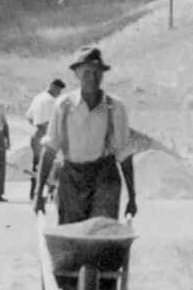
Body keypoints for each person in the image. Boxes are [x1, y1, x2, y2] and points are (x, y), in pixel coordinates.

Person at [45, 47, 138, 225]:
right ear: (77, 75)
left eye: (97, 73)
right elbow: (50, 148)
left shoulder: (115, 107)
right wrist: (39, 194)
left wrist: (132, 197)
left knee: (101, 235)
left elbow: (125, 154)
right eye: (87, 73)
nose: (93, 78)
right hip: (71, 178)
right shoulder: (63, 105)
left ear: (102, 75)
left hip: (104, 177)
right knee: (72, 236)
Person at [26, 77, 65, 208]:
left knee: (37, 165)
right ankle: (49, 193)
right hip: (46, 134)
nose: (59, 93)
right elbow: (52, 122)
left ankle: (34, 192)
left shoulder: (38, 97)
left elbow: (29, 117)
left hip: (36, 133)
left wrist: (37, 125)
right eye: (59, 90)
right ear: (54, 87)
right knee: (50, 165)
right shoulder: (52, 101)